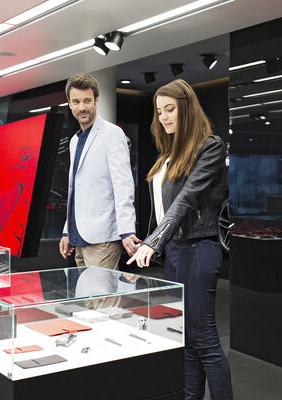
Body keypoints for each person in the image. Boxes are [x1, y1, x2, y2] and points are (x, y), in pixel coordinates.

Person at [127, 79, 233, 400]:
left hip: (198, 249)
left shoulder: (210, 147)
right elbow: (164, 209)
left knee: (204, 339)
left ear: (186, 108)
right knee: (184, 337)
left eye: (170, 109)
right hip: (175, 252)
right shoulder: (170, 154)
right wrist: (149, 239)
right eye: (159, 111)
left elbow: (187, 198)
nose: (163, 117)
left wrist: (154, 241)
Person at [59, 73, 141, 269]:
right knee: (86, 290)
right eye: (76, 102)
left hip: (103, 238)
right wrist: (67, 231)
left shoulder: (112, 134)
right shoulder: (74, 141)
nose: (82, 107)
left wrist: (127, 230)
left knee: (101, 290)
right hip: (78, 237)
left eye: (87, 101)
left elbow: (123, 185)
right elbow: (75, 191)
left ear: (96, 101)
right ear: (69, 104)